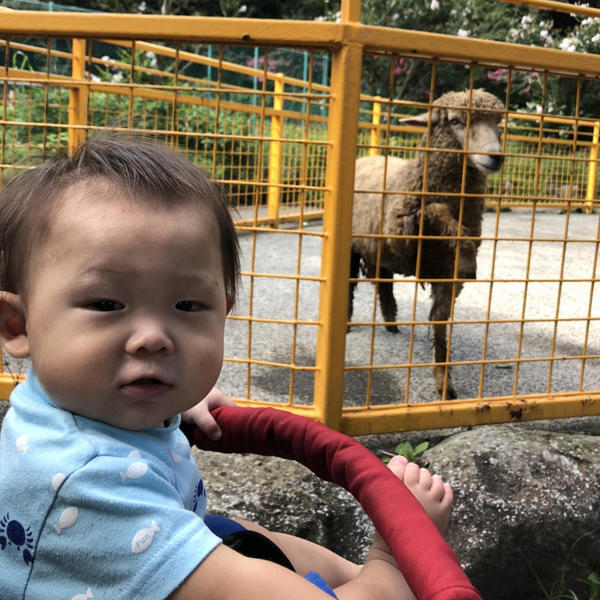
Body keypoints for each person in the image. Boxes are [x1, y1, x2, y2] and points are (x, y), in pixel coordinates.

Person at [0, 137, 453, 600]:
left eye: (188, 305)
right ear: (18, 325)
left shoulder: (73, 406)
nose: (154, 337)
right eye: (106, 303)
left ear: (224, 310)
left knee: (246, 534)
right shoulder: (89, 486)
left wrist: (169, 402)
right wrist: (397, 559)